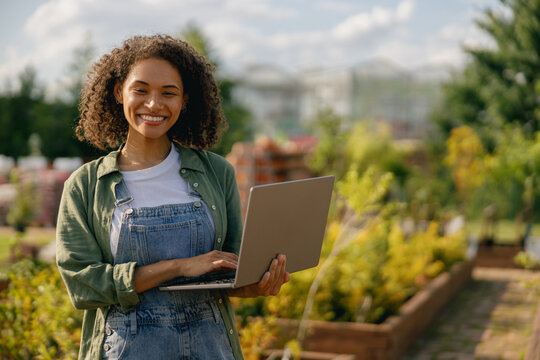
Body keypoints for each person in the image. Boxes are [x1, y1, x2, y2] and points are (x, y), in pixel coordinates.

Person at [56, 34, 289, 360]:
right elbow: (83, 285)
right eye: (141, 90)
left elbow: (228, 272)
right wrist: (179, 266)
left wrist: (258, 284)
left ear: (185, 101)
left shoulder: (216, 173)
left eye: (169, 93)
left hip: (211, 347)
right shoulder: (86, 185)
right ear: (118, 92)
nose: (154, 104)